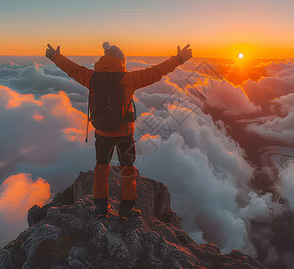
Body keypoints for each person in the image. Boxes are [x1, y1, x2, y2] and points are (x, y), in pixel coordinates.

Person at [45, 42, 192, 219]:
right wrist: (178, 59)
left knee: (101, 168)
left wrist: (55, 56)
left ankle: (101, 209)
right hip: (124, 135)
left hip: (102, 134)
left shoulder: (91, 77)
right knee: (127, 170)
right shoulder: (127, 79)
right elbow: (155, 72)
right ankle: (126, 209)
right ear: (121, 61)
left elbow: (72, 69)